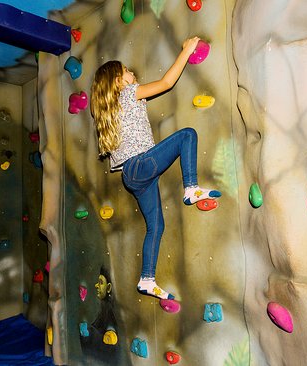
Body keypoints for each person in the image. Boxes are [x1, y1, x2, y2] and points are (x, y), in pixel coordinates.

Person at [90, 36, 221, 301]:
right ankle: (191, 188)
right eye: (126, 71)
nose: (131, 72)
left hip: (134, 176)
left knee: (156, 227)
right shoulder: (127, 94)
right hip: (140, 164)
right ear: (118, 81)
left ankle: (147, 279)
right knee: (187, 135)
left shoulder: (115, 107)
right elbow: (166, 83)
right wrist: (186, 50)